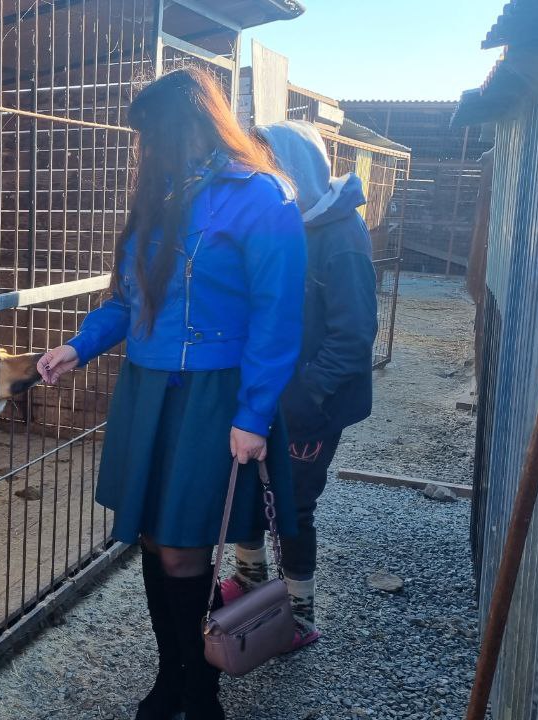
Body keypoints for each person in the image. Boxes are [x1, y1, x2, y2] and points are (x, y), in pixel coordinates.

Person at [36, 68, 306, 720]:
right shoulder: (158, 198)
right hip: (146, 393)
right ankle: (173, 676)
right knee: (156, 542)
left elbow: (278, 317)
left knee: (187, 548)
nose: (141, 151)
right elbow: (131, 303)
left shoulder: (263, 197)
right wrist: (79, 345)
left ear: (182, 126)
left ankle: (201, 691)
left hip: (214, 399)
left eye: (148, 136)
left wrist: (253, 414)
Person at [219, 120, 378, 649]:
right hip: (268, 392)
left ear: (294, 168)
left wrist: (306, 397)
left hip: (312, 403)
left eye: (266, 162)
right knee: (245, 485)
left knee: (293, 502)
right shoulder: (282, 221)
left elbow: (353, 335)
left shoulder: (340, 235)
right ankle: (250, 581)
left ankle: (301, 612)